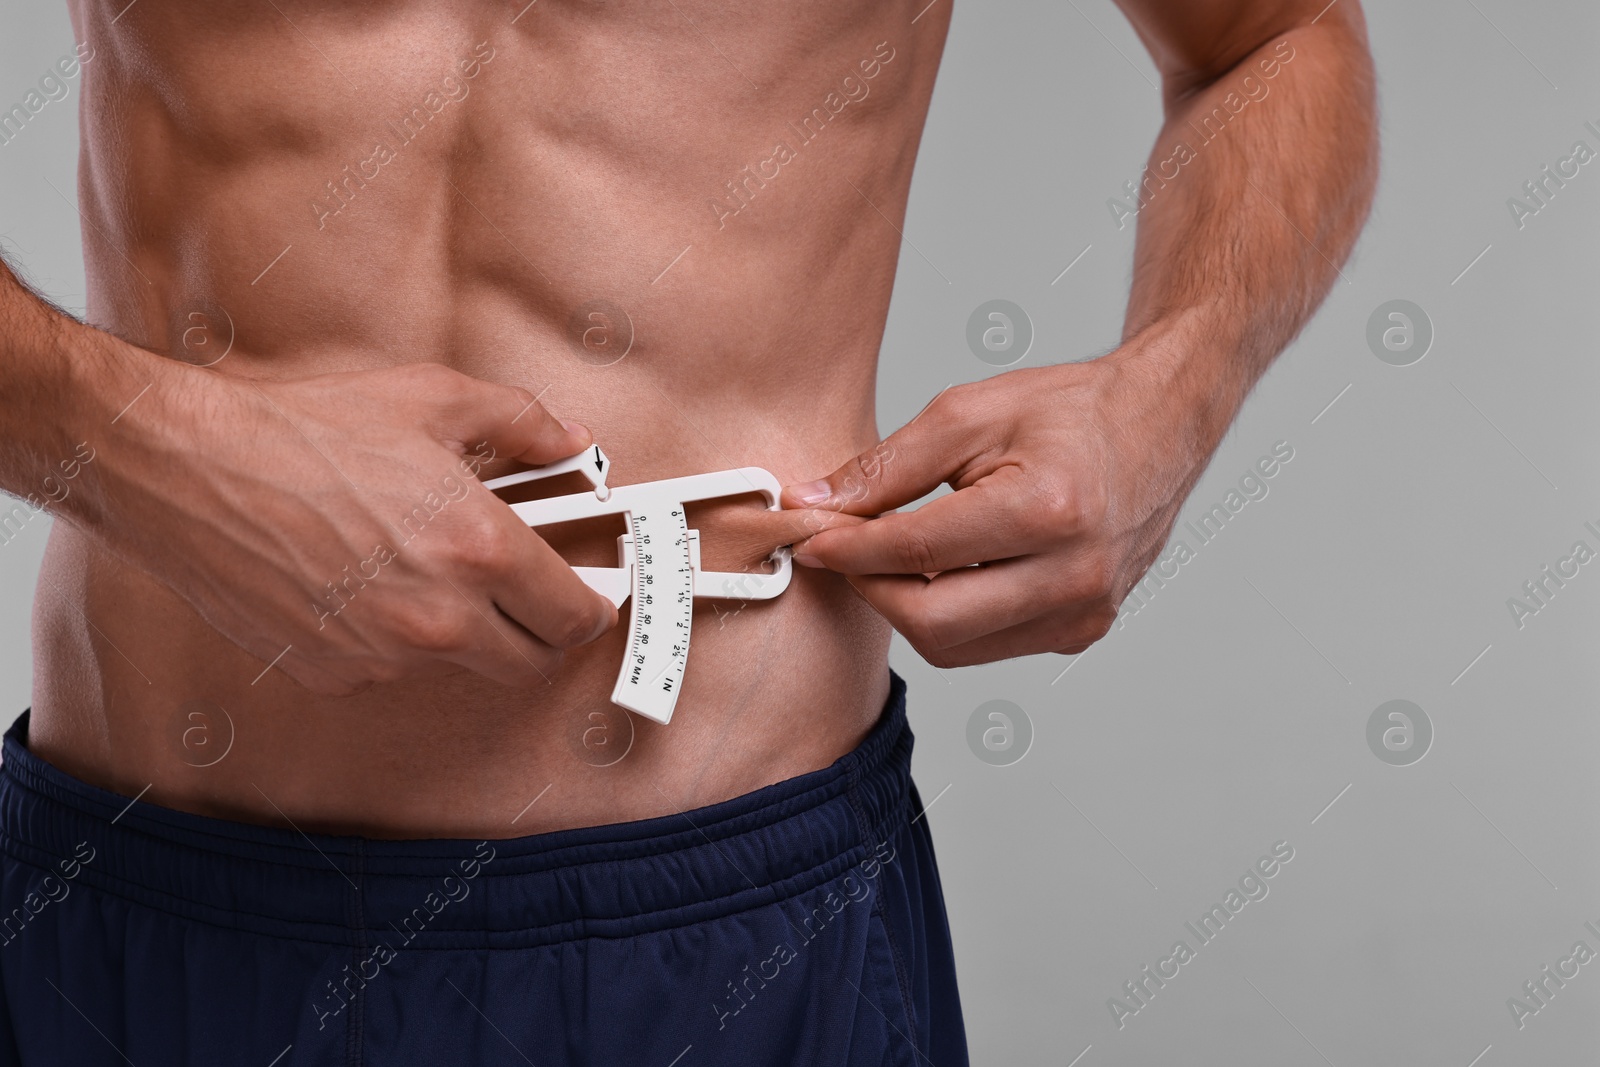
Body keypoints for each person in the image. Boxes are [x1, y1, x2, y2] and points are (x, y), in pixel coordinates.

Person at [0, 0, 1376, 1062]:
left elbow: (1272, 36)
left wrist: (1171, 392)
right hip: (132, 899)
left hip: (729, 928)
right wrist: (130, 443)